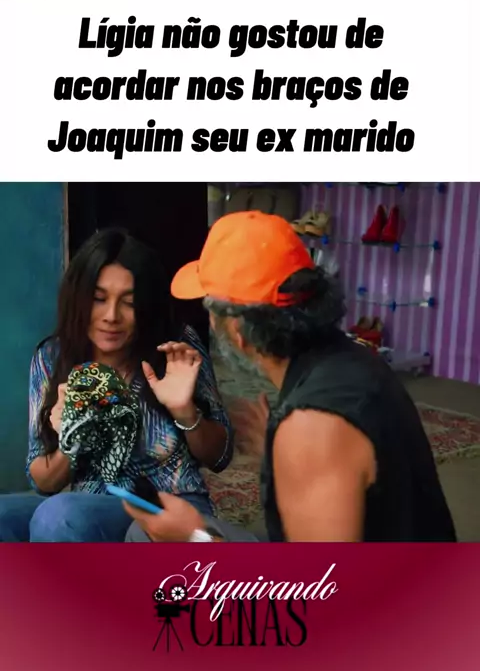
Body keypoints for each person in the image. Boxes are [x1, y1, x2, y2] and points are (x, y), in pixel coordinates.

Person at [123, 210, 457, 543]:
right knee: (142, 532)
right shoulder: (354, 359)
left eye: (210, 311)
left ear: (237, 330)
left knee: (150, 540)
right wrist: (280, 461)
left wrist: (194, 538)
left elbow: (320, 577)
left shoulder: (311, 426)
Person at [0, 228, 233, 542]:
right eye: (98, 299)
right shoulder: (52, 358)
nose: (112, 316)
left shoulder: (174, 347)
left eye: (129, 302)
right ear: (78, 300)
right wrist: (73, 436)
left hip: (166, 506)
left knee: (58, 517)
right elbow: (42, 481)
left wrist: (185, 411)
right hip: (86, 505)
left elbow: (220, 457)